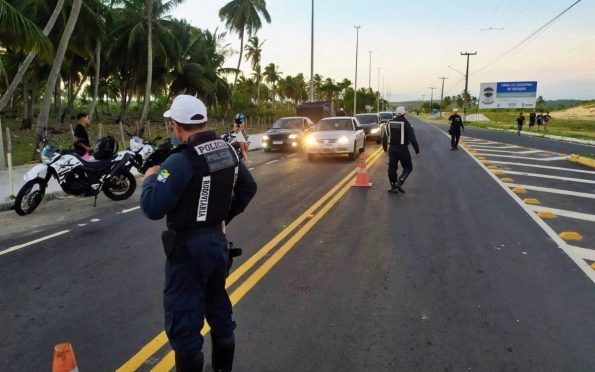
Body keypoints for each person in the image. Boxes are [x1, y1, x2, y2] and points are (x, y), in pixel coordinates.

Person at [140, 95, 257, 372]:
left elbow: (153, 207)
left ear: (176, 126)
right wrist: (218, 218)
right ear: (204, 122)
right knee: (218, 307)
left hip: (187, 252)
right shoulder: (228, 151)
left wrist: (150, 178)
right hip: (216, 245)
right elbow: (248, 188)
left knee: (184, 323)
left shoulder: (178, 161)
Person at [382, 106, 420, 193]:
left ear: (395, 113)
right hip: (403, 149)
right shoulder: (407, 124)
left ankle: (393, 186)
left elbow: (384, 137)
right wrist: (417, 150)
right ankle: (400, 181)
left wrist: (385, 149)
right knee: (408, 167)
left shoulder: (389, 123)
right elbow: (412, 138)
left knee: (392, 167)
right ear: (404, 114)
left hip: (392, 148)